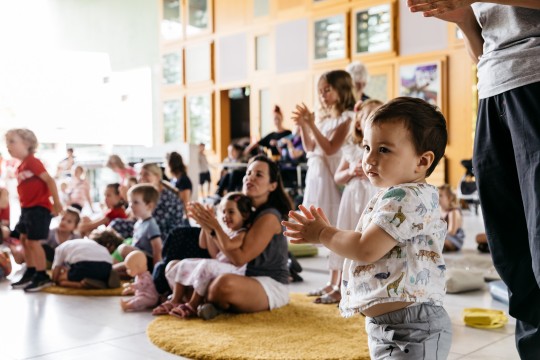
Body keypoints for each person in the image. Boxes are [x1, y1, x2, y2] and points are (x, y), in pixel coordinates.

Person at [408, 2, 540, 358]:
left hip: (535, 81)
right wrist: (463, 18)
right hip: (493, 89)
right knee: (512, 251)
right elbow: (481, 51)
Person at [283, 97, 451, 359]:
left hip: (414, 328)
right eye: (366, 147)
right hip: (386, 326)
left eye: (383, 150)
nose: (369, 159)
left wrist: (323, 233)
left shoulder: (407, 197)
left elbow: (366, 248)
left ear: (422, 161)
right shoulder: (396, 194)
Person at [185, 155, 293, 319]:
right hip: (243, 276)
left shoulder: (269, 217)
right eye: (248, 172)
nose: (250, 177)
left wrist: (214, 227)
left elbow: (239, 259)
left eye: (258, 174)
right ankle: (214, 304)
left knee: (221, 285)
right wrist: (207, 227)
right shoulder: (246, 213)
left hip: (269, 284)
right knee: (183, 267)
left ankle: (212, 302)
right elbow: (218, 255)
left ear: (272, 186)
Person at [292, 69, 356, 298]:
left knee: (334, 226)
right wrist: (303, 125)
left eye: (327, 90)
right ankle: (332, 281)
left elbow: (330, 148)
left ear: (342, 90)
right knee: (323, 224)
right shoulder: (324, 118)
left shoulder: (347, 118)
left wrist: (312, 124)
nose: (322, 96)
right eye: (320, 92)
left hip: (333, 178)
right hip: (317, 175)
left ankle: (341, 283)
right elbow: (310, 147)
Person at [315, 99, 382, 305]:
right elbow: (338, 176)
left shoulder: (382, 148)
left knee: (364, 238)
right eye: (366, 118)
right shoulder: (352, 146)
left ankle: (360, 286)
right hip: (351, 196)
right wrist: (351, 171)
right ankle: (336, 284)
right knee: (344, 234)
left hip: (370, 196)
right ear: (359, 122)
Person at [152, 192, 252, 318]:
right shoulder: (225, 230)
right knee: (185, 263)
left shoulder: (242, 233)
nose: (226, 216)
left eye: (231, 212)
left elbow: (230, 245)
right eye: (224, 212)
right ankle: (175, 300)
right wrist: (206, 224)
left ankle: (192, 305)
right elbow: (204, 245)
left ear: (245, 215)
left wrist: (216, 227)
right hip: (220, 267)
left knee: (206, 265)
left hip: (235, 271)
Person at [6, 128, 62, 292]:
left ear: (27, 144)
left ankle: (41, 274)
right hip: (27, 209)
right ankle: (30, 271)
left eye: (12, 141)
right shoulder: (21, 166)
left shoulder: (32, 161)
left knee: (33, 241)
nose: (8, 146)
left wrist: (56, 202)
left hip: (38, 208)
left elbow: (49, 180)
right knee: (24, 239)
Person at [110, 163, 188, 240]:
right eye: (140, 174)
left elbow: (157, 224)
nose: (141, 178)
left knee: (117, 225)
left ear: (157, 177)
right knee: (115, 225)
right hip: (149, 229)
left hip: (166, 236)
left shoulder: (168, 198)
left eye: (146, 174)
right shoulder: (147, 194)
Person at [9, 206, 81, 266]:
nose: (64, 222)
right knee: (34, 250)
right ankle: (15, 250)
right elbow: (38, 246)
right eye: (63, 219)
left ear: (75, 226)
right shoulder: (51, 233)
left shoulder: (75, 238)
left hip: (63, 261)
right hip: (48, 258)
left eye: (69, 221)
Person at [51, 229, 123, 289]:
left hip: (84, 265)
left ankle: (81, 284)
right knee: (93, 272)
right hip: (106, 266)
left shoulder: (59, 249)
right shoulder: (100, 247)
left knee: (60, 280)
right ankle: (103, 280)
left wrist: (55, 279)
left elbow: (56, 270)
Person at [114, 184, 162, 273]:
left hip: (147, 262)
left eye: (135, 202)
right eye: (130, 202)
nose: (131, 206)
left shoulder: (151, 224)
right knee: (121, 269)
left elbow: (157, 249)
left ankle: (110, 271)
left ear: (149, 206)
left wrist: (156, 272)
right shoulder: (138, 223)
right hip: (136, 259)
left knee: (124, 248)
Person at [438, 184, 465, 252]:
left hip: (454, 239)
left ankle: (440, 246)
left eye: (440, 195)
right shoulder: (439, 211)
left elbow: (452, 232)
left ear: (450, 198)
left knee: (436, 241)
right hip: (444, 236)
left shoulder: (453, 212)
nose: (437, 197)